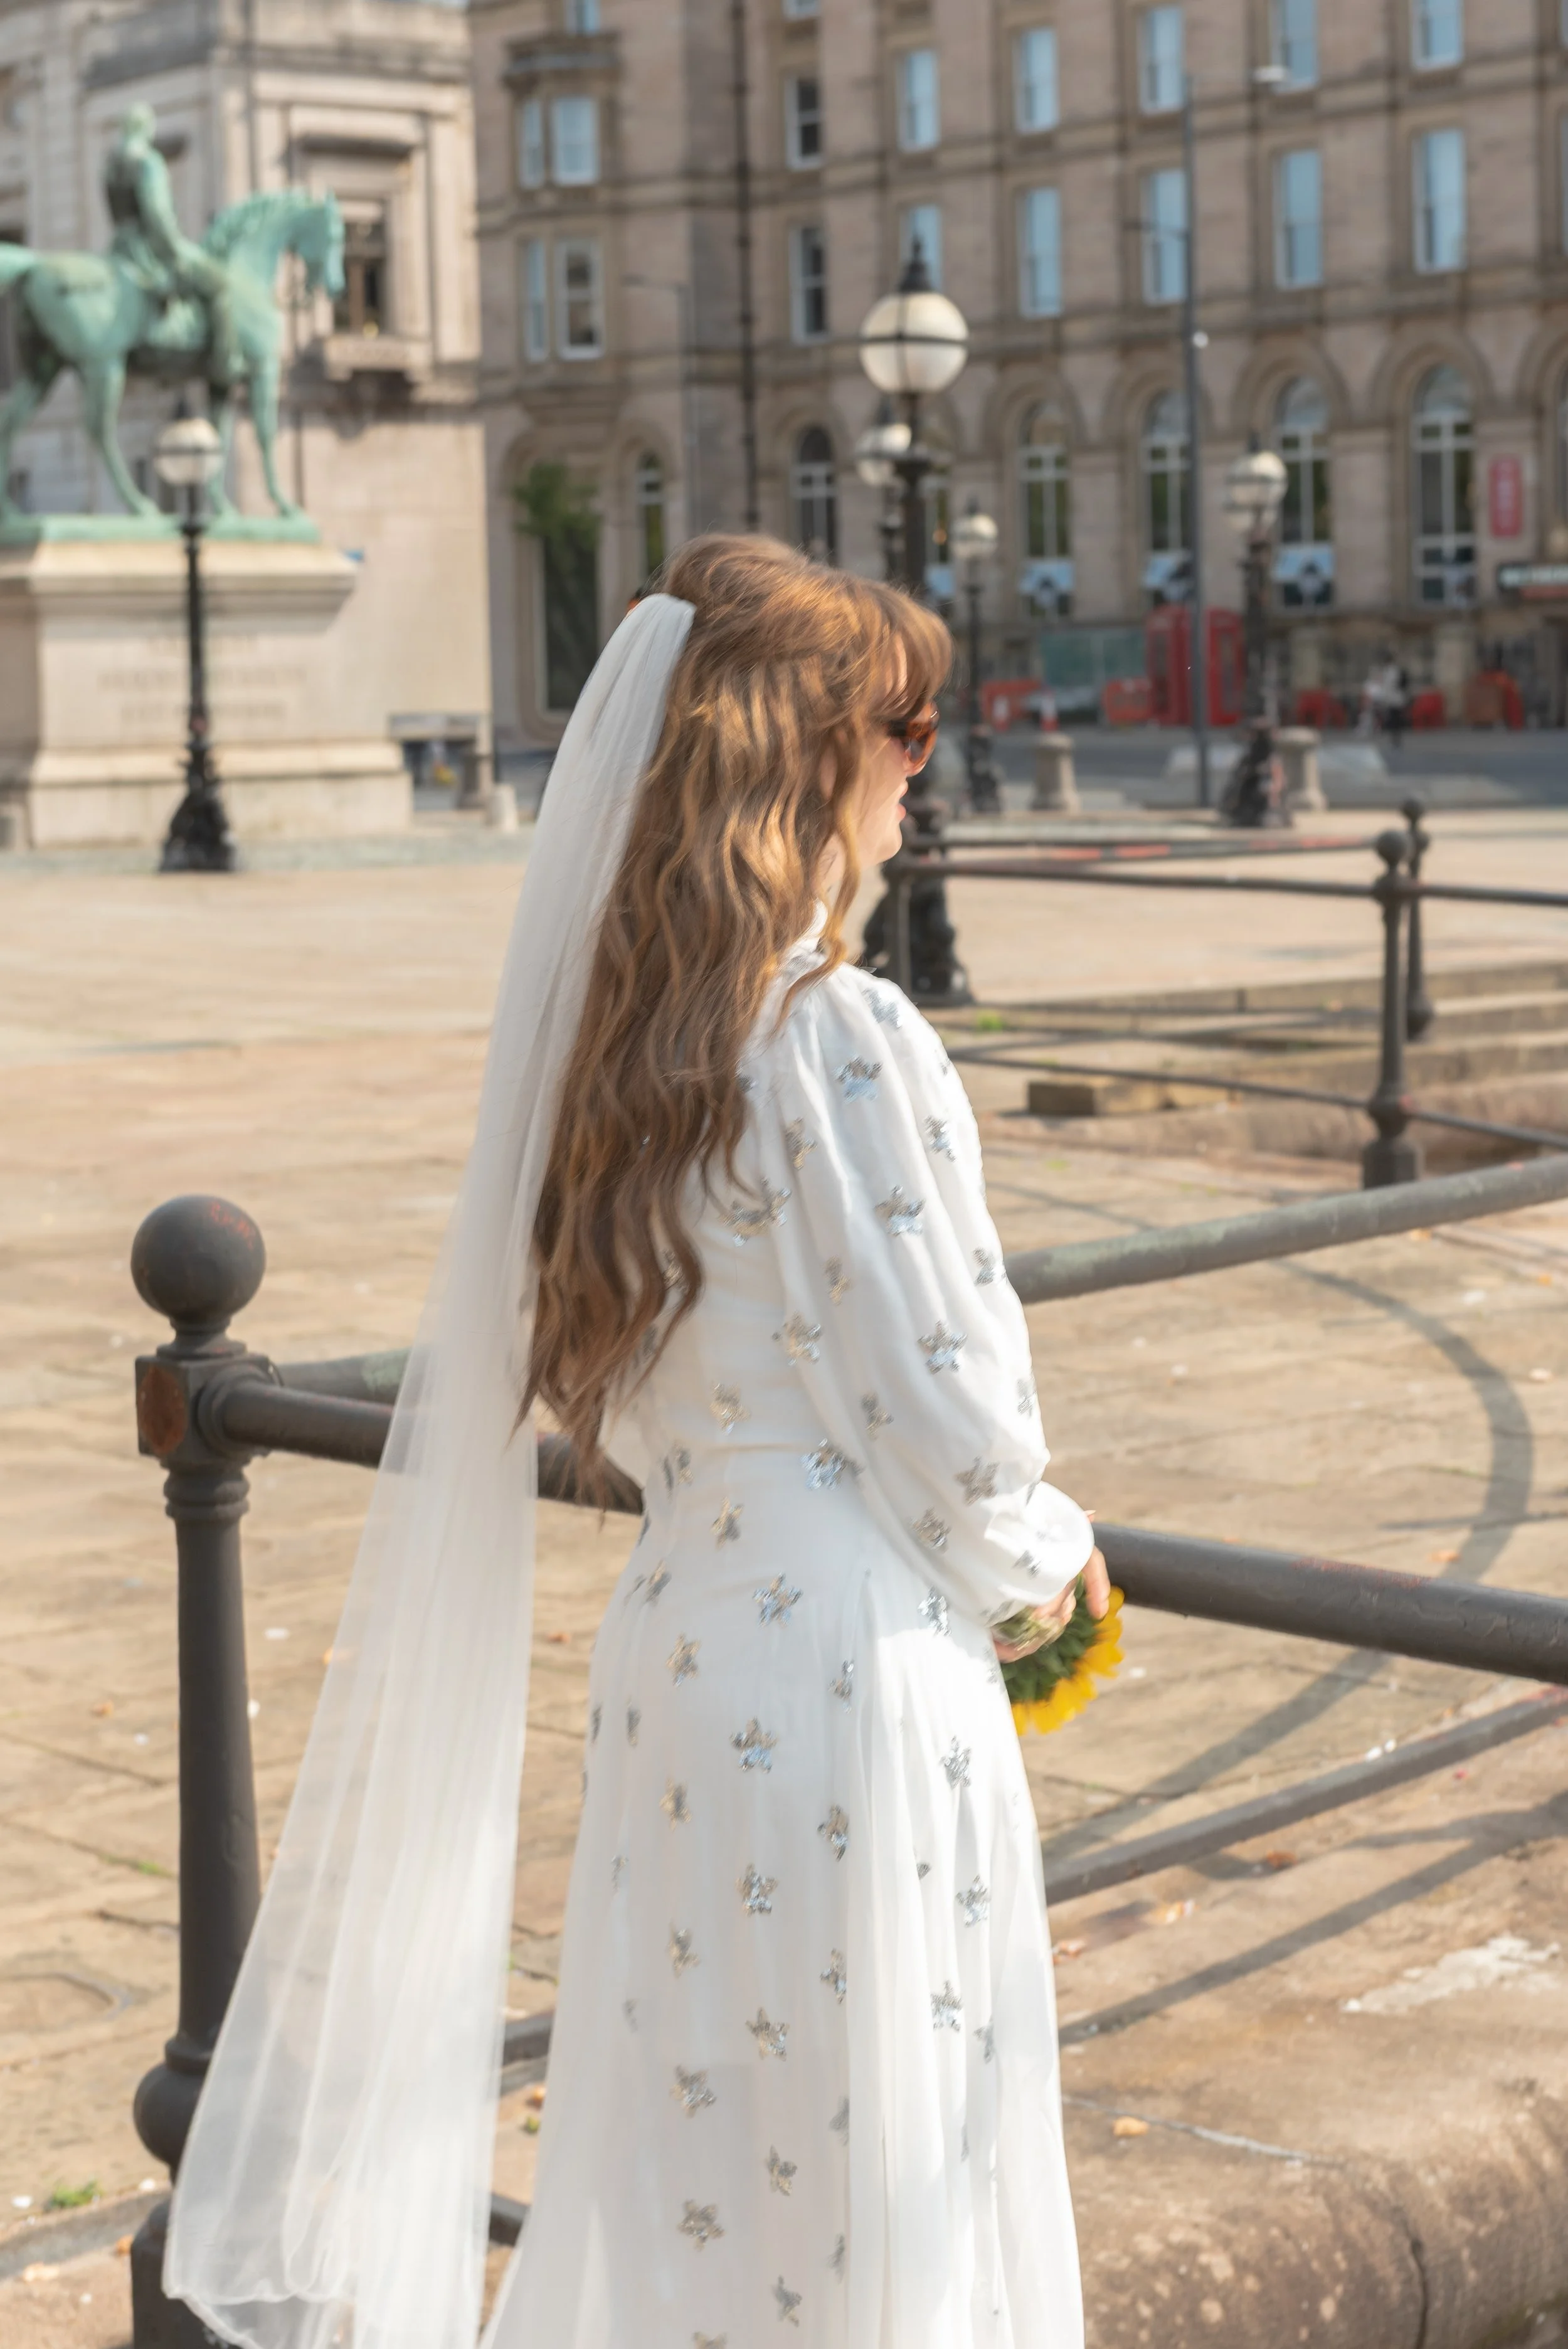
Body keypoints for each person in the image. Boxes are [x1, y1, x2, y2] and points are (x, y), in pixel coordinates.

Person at [165, 536, 1105, 2349]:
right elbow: (953, 1407)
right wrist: (1046, 1575)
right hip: (850, 1666)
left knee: (700, 2167)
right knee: (877, 2186)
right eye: (906, 725)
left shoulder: (614, 1055)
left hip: (681, 1653)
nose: (928, 759)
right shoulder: (839, 1034)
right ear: (806, 748)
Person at [104, 105, 243, 384]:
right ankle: (224, 362)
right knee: (218, 283)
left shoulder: (111, 164)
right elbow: (157, 214)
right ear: (147, 129)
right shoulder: (147, 161)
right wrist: (174, 252)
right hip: (150, 246)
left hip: (120, 245)